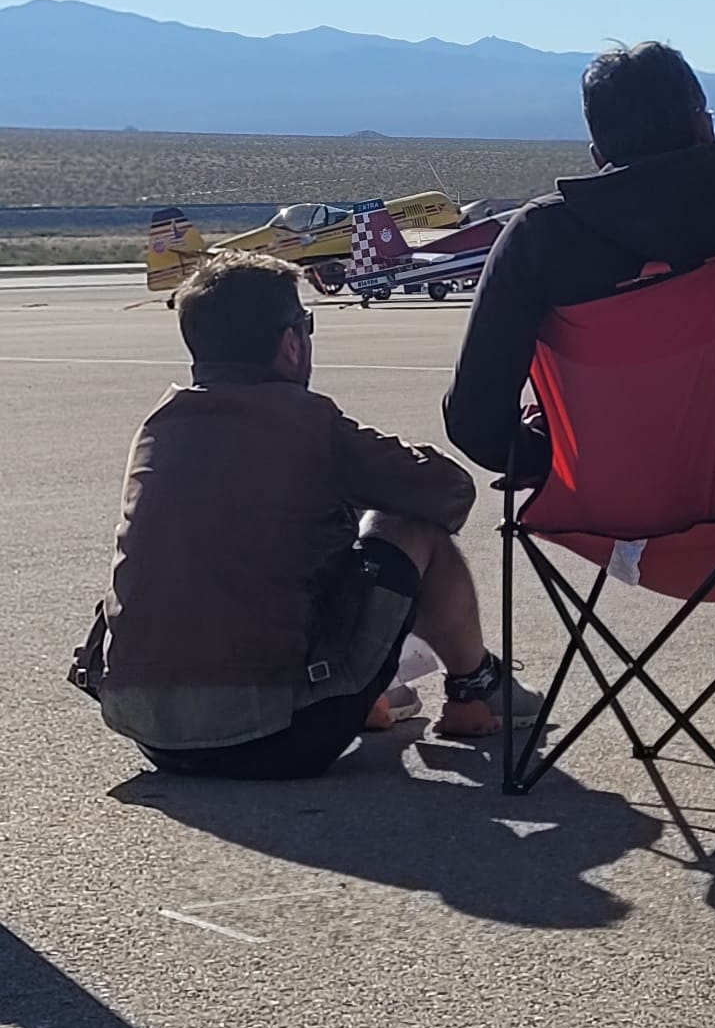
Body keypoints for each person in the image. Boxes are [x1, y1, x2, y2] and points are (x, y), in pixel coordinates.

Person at [444, 41, 715, 736]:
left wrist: (558, 455)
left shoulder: (541, 240)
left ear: (597, 150)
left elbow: (475, 422)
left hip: (612, 510)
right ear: (704, 124)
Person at [92, 250, 542, 774]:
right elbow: (448, 492)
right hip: (278, 734)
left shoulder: (161, 424)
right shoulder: (307, 424)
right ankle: (474, 688)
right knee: (406, 522)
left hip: (152, 730)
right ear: (290, 343)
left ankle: (380, 691)